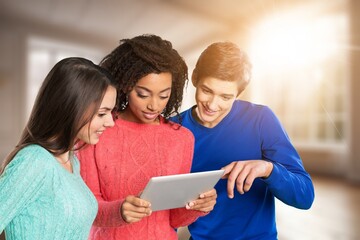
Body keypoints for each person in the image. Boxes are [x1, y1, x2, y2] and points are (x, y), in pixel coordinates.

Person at [76, 34, 217, 240]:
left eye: (163, 95)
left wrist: (198, 206)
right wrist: (119, 212)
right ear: (125, 85)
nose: (154, 105)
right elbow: (86, 208)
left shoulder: (182, 139)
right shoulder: (96, 130)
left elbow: (175, 218)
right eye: (143, 94)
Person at [171, 42, 315, 239]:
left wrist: (268, 170)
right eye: (207, 90)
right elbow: (165, 209)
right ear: (195, 78)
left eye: (225, 97)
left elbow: (305, 197)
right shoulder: (172, 129)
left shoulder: (261, 120)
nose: (212, 105)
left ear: (239, 94)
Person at [0, 57, 117, 240]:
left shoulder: (72, 161)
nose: (110, 122)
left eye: (111, 112)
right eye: (102, 113)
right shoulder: (34, 161)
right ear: (71, 108)